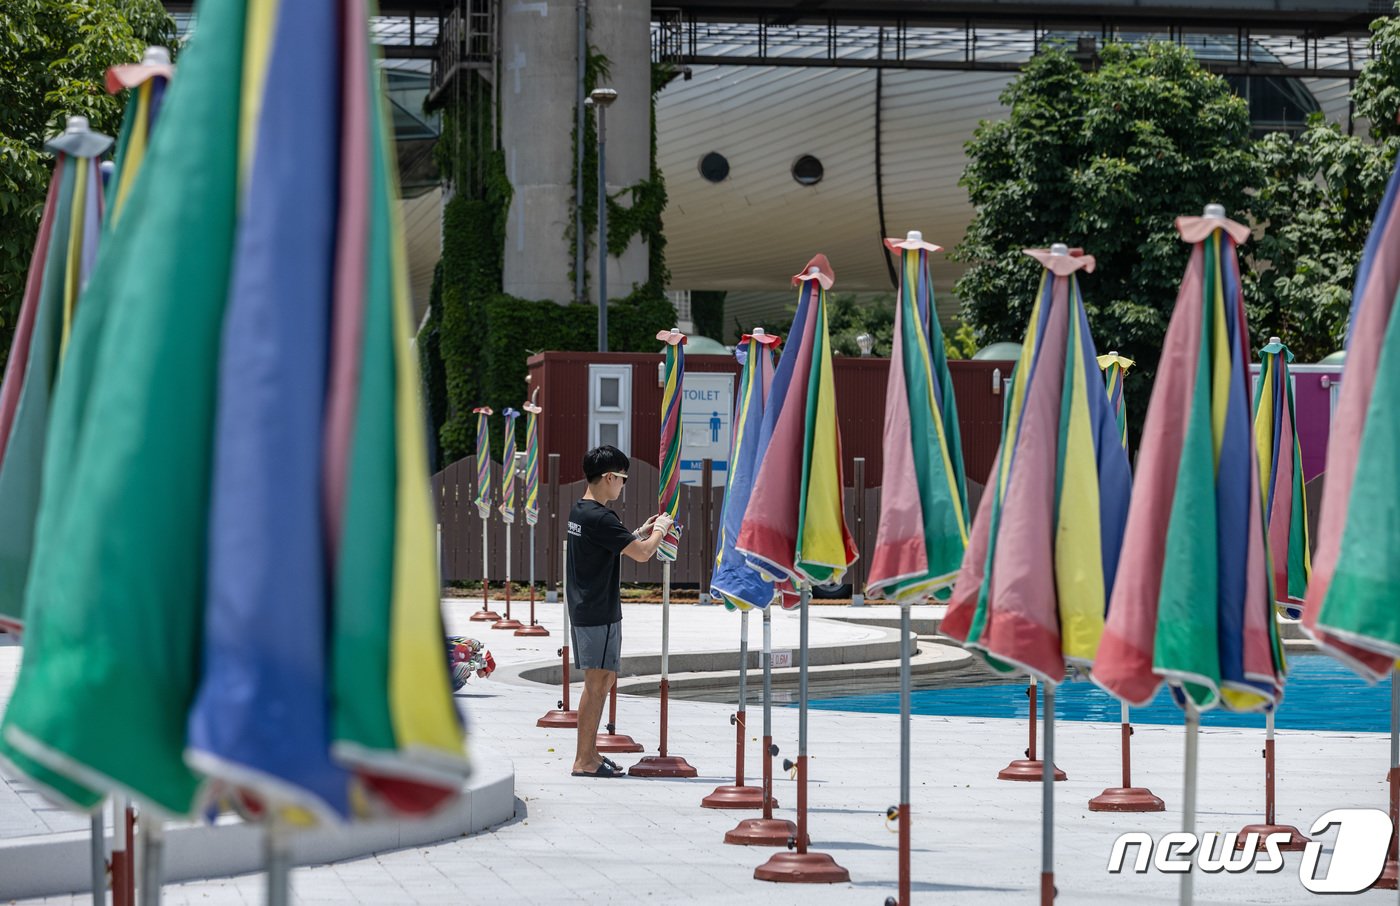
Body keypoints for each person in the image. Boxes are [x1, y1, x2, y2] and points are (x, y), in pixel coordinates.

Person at [566, 445, 672, 778]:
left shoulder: (581, 511)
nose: (622, 486)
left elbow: (615, 545)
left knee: (604, 679)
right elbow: (641, 554)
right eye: (622, 480)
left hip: (591, 607)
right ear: (609, 477)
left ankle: (591, 754)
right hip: (596, 610)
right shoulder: (600, 516)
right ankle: (584, 760)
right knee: (597, 683)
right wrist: (660, 530)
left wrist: (640, 531)